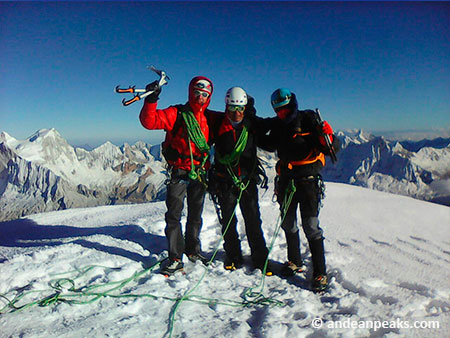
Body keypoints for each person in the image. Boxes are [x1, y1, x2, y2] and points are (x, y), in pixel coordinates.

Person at [259, 88, 340, 292]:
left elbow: (331, 148)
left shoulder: (309, 120)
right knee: (288, 222)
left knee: (311, 226)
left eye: (285, 110)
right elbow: (270, 145)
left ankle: (320, 272)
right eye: (279, 111)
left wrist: (326, 136)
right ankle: (294, 261)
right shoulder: (278, 125)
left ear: (293, 105)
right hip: (287, 180)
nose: (283, 114)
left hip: (308, 182)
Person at [139, 76, 217, 275]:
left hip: (199, 173)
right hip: (180, 172)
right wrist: (151, 99)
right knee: (174, 215)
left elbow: (234, 123)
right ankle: (175, 256)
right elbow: (150, 121)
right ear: (191, 93)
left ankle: (193, 250)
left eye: (205, 94)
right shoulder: (177, 113)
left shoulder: (211, 117)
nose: (200, 97)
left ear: (209, 97)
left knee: (195, 215)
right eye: (197, 93)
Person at [208, 87, 272, 275]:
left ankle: (260, 258)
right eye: (232, 109)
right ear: (226, 107)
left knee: (253, 220)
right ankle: (233, 255)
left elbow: (272, 130)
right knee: (228, 220)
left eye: (240, 109)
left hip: (247, 180)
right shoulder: (218, 124)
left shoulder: (252, 125)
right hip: (224, 181)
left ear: (245, 109)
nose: (236, 113)